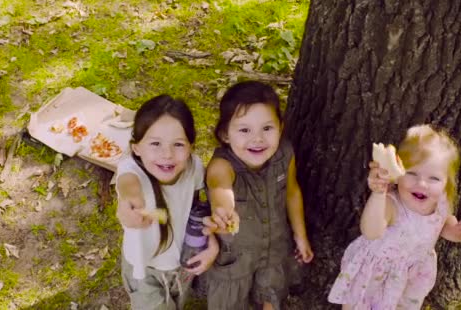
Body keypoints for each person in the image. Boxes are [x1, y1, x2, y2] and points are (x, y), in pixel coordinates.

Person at [327, 125, 461, 309]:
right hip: (375, 275)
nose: (421, 183)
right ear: (398, 174)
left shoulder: (441, 202)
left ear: (446, 183)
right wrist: (378, 194)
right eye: (412, 173)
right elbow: (371, 231)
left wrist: (460, 233)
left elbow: (443, 226)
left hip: (411, 274)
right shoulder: (392, 204)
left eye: (434, 178)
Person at [203, 81, 314, 310]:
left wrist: (300, 236)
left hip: (274, 246)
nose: (258, 139)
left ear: (281, 127)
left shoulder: (285, 154)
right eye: (244, 130)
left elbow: (292, 192)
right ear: (225, 133)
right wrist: (224, 208)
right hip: (237, 257)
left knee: (270, 292)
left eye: (267, 128)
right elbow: (220, 187)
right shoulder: (222, 165)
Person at [115, 95, 219, 310]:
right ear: (136, 148)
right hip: (145, 271)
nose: (167, 154)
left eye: (178, 144)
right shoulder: (131, 171)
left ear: (191, 146)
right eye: (155, 143)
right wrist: (128, 204)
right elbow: (128, 186)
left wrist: (211, 243)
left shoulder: (194, 168)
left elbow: (199, 208)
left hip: (182, 263)